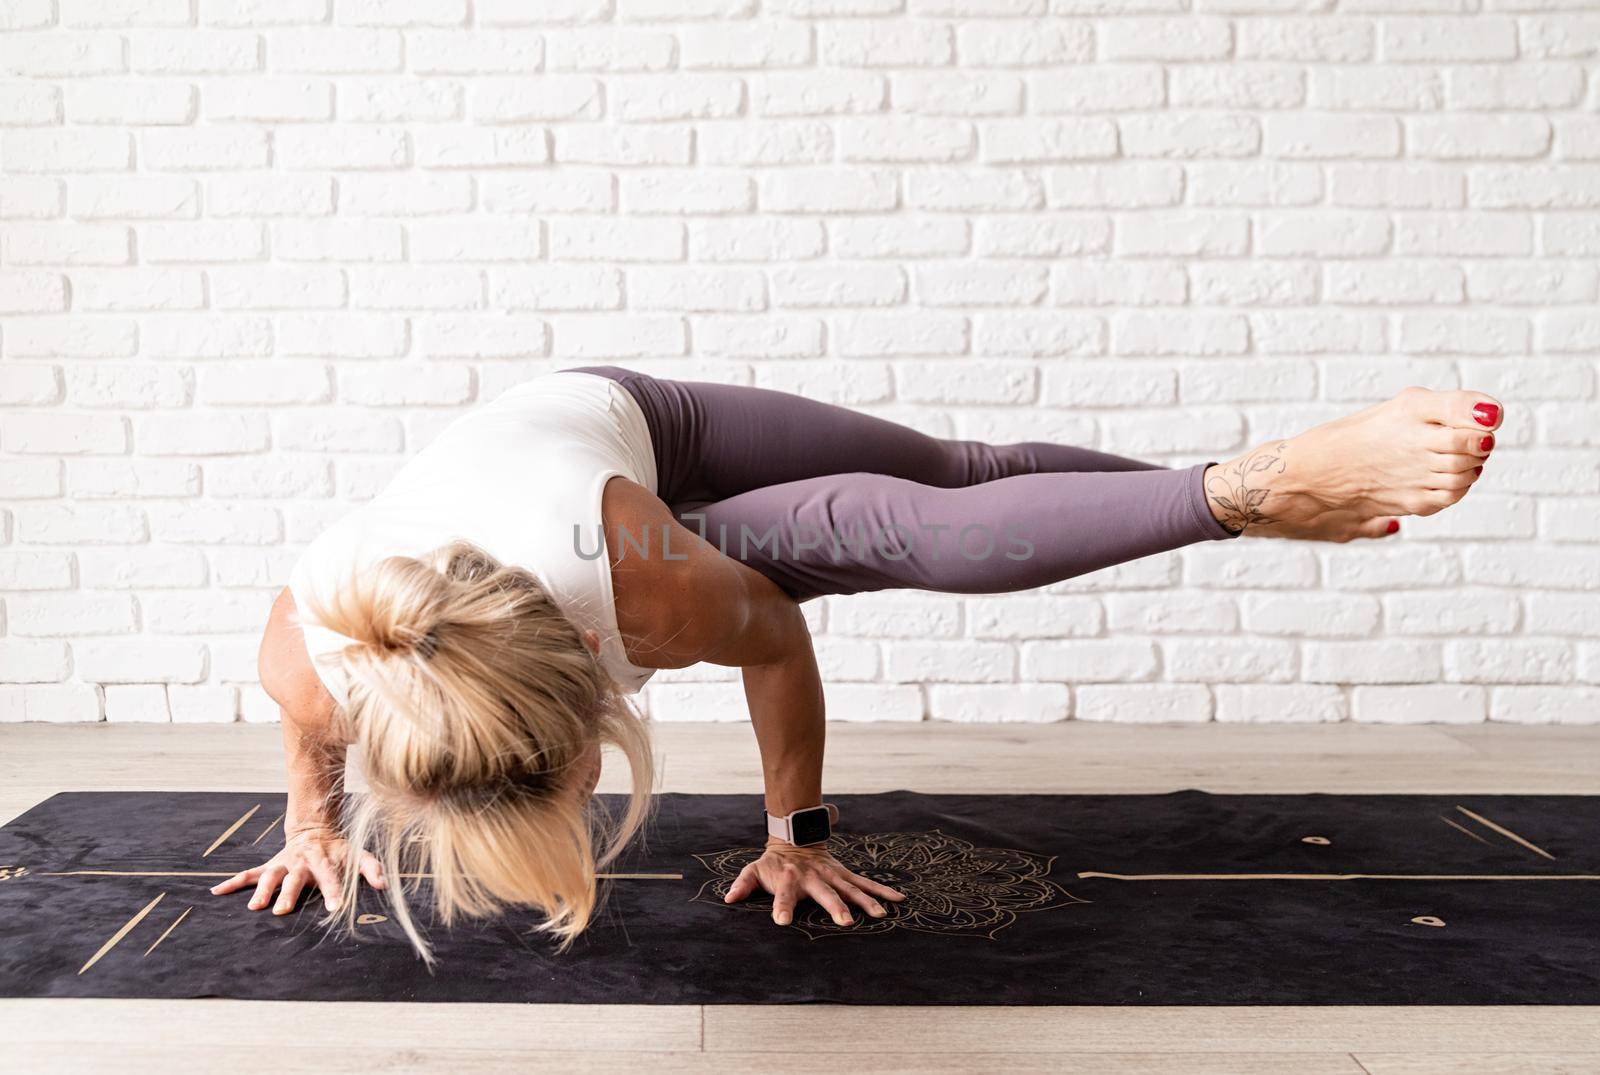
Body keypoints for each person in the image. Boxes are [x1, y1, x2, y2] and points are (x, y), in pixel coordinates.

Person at [212, 365, 1503, 961]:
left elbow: (774, 636)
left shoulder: (643, 595)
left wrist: (799, 832)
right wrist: (310, 823)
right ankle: (1247, 501)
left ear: (593, 722)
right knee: (921, 507)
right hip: (563, 500)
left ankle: (1250, 489)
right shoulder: (320, 665)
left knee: (931, 501)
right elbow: (312, 733)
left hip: (630, 427)